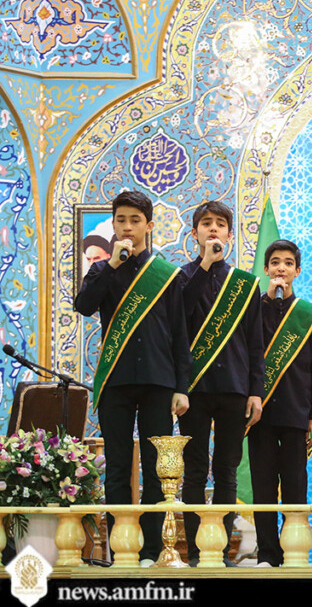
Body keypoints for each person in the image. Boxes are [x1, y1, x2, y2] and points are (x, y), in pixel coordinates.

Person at [73, 190, 190, 566]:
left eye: (135, 220)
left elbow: (180, 334)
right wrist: (111, 266)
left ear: (148, 225)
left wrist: (182, 388)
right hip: (117, 380)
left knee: (157, 470)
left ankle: (153, 551)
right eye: (121, 220)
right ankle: (121, 549)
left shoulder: (167, 274)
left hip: (159, 380)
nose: (127, 226)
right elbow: (84, 305)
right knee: (118, 467)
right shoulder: (102, 270)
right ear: (113, 224)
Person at [179, 200, 264, 566]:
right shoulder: (181, 277)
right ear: (195, 233)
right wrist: (204, 265)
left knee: (227, 470)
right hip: (194, 389)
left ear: (230, 234)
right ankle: (196, 552)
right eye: (206, 223)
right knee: (195, 470)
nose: (213, 228)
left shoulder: (244, 284)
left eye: (219, 224)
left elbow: (256, 343)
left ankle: (222, 551)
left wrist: (256, 392)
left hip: (234, 387)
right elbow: (180, 315)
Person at [252, 239, 312, 567]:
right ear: (266, 269)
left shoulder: (310, 315)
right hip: (261, 413)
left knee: (296, 486)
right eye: (275, 262)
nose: (280, 268)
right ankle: (267, 553)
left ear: (297, 270)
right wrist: (268, 301)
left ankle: (295, 552)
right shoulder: (254, 309)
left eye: (287, 263)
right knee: (264, 487)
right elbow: (251, 353)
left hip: (297, 412)